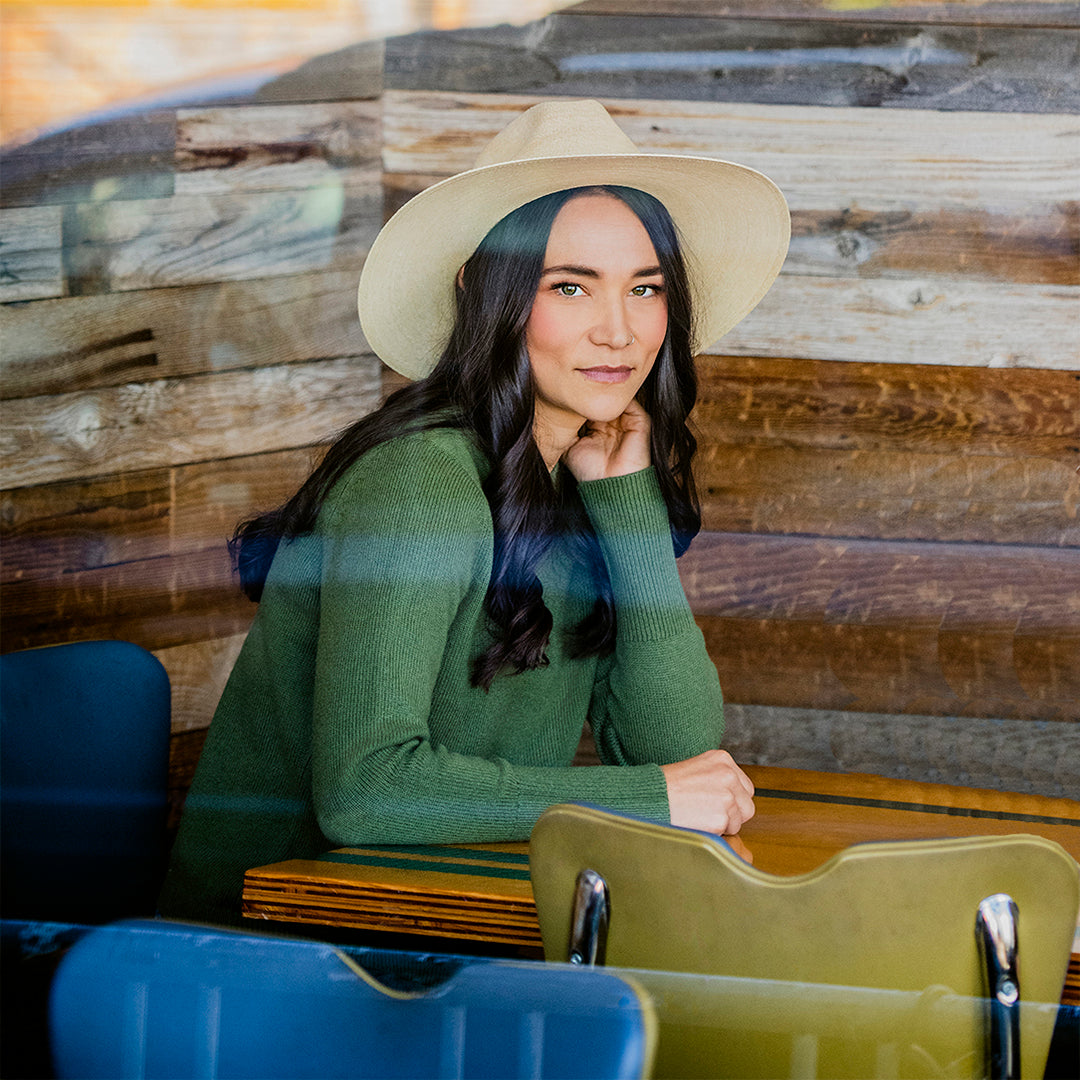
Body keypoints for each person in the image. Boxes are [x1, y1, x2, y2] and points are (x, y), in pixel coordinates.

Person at [158, 99, 790, 927]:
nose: (619, 331)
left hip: (457, 921)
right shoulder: (419, 482)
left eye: (646, 289)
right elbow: (366, 792)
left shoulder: (580, 482)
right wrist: (643, 799)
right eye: (570, 286)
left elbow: (676, 751)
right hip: (267, 951)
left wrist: (627, 506)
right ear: (483, 292)